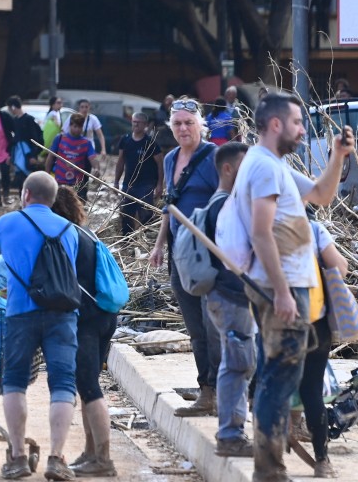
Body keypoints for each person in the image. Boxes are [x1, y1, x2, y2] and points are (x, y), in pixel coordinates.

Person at [231, 93, 351, 482]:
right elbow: (260, 232)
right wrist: (282, 291)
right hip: (282, 287)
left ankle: (270, 467)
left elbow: (322, 195)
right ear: (277, 125)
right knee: (279, 381)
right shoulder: (264, 168)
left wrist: (338, 157)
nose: (303, 130)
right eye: (299, 123)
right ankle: (269, 471)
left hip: (290, 287)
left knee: (274, 376)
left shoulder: (274, 166)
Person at [0, 171, 81, 481]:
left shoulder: (9, 223)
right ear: (52, 199)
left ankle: (18, 458)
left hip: (21, 314)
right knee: (63, 384)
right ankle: (56, 458)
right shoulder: (69, 229)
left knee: (15, 382)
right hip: (62, 315)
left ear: (25, 195)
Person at [148, 98, 221, 418]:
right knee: (194, 325)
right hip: (180, 252)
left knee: (213, 324)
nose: (182, 129)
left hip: (209, 252)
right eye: (177, 123)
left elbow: (229, 203)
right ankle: (206, 389)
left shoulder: (216, 158)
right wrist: (159, 244)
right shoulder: (171, 159)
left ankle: (221, 390)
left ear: (200, 125)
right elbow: (170, 205)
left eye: (188, 123)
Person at [192, 142, 256, 458]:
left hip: (225, 297)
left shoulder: (221, 204)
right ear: (228, 168)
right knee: (237, 364)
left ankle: (233, 431)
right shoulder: (225, 207)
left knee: (238, 361)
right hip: (231, 297)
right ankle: (230, 435)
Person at [51, 185, 117, 477]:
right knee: (88, 384)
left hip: (86, 321)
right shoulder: (86, 233)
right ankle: (91, 452)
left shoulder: (65, 237)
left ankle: (103, 459)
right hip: (105, 317)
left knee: (90, 389)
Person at [299, 218, 347, 477]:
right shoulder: (312, 227)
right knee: (312, 391)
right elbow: (341, 267)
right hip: (315, 321)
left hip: (276, 320)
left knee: (270, 386)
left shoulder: (260, 222)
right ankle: (322, 461)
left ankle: (269, 459)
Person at [113, 112, 164, 236]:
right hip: (128, 184)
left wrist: (159, 185)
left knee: (146, 216)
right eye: (133, 122)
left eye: (138, 122)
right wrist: (116, 181)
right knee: (126, 215)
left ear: (145, 125)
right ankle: (126, 241)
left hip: (146, 185)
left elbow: (160, 165)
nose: (135, 124)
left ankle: (146, 240)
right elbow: (120, 162)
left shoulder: (150, 143)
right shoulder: (125, 140)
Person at [47, 113, 97, 199]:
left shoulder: (86, 143)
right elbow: (50, 158)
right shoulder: (59, 139)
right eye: (75, 126)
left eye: (80, 127)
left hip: (77, 185)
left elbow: (93, 159)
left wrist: (96, 169)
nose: (77, 130)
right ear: (70, 125)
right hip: (60, 182)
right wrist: (47, 175)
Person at [7, 96, 44, 185]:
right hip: (18, 153)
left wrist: (33, 155)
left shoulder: (29, 119)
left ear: (13, 107)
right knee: (19, 178)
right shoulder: (15, 120)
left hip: (27, 154)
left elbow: (34, 138)